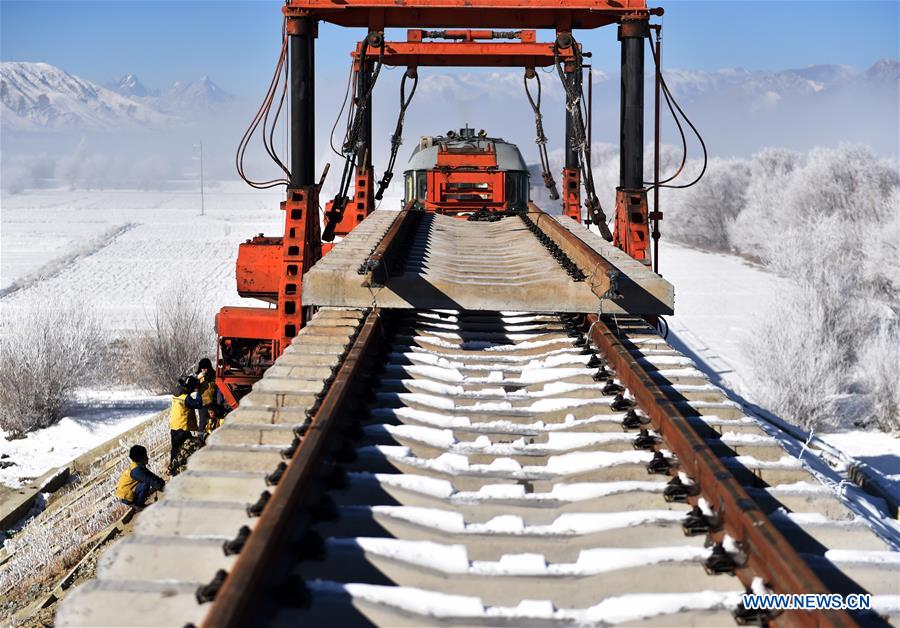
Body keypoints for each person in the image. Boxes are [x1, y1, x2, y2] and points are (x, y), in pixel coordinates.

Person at [169, 375, 202, 474]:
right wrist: (199, 391)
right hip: (182, 427)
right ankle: (179, 470)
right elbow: (198, 404)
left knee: (175, 449)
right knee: (187, 447)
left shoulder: (176, 395)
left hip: (174, 426)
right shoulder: (185, 398)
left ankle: (172, 468)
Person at [196, 358, 217, 433]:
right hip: (203, 405)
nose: (204, 370)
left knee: (214, 423)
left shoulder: (214, 375)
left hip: (213, 403)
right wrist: (199, 377)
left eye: (205, 368)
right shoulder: (199, 377)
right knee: (202, 423)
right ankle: (201, 439)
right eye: (202, 368)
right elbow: (194, 386)